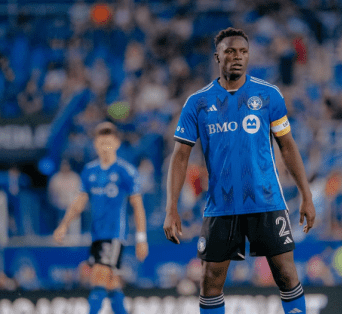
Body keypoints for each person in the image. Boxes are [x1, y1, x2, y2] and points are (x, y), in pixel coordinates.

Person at [163, 27, 316, 314]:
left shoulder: (268, 95)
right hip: (221, 205)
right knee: (210, 280)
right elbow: (180, 156)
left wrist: (306, 195)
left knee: (285, 273)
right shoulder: (197, 103)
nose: (238, 57)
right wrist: (171, 206)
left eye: (243, 52)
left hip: (266, 200)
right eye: (230, 51)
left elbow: (288, 146)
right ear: (217, 56)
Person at [53, 122, 149, 314]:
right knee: (112, 283)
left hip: (114, 234)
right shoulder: (90, 171)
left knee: (98, 278)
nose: (104, 146)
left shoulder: (125, 171)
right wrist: (63, 225)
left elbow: (137, 206)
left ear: (116, 143)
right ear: (95, 144)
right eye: (101, 142)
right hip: (96, 235)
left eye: (108, 142)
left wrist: (141, 238)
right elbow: (79, 202)